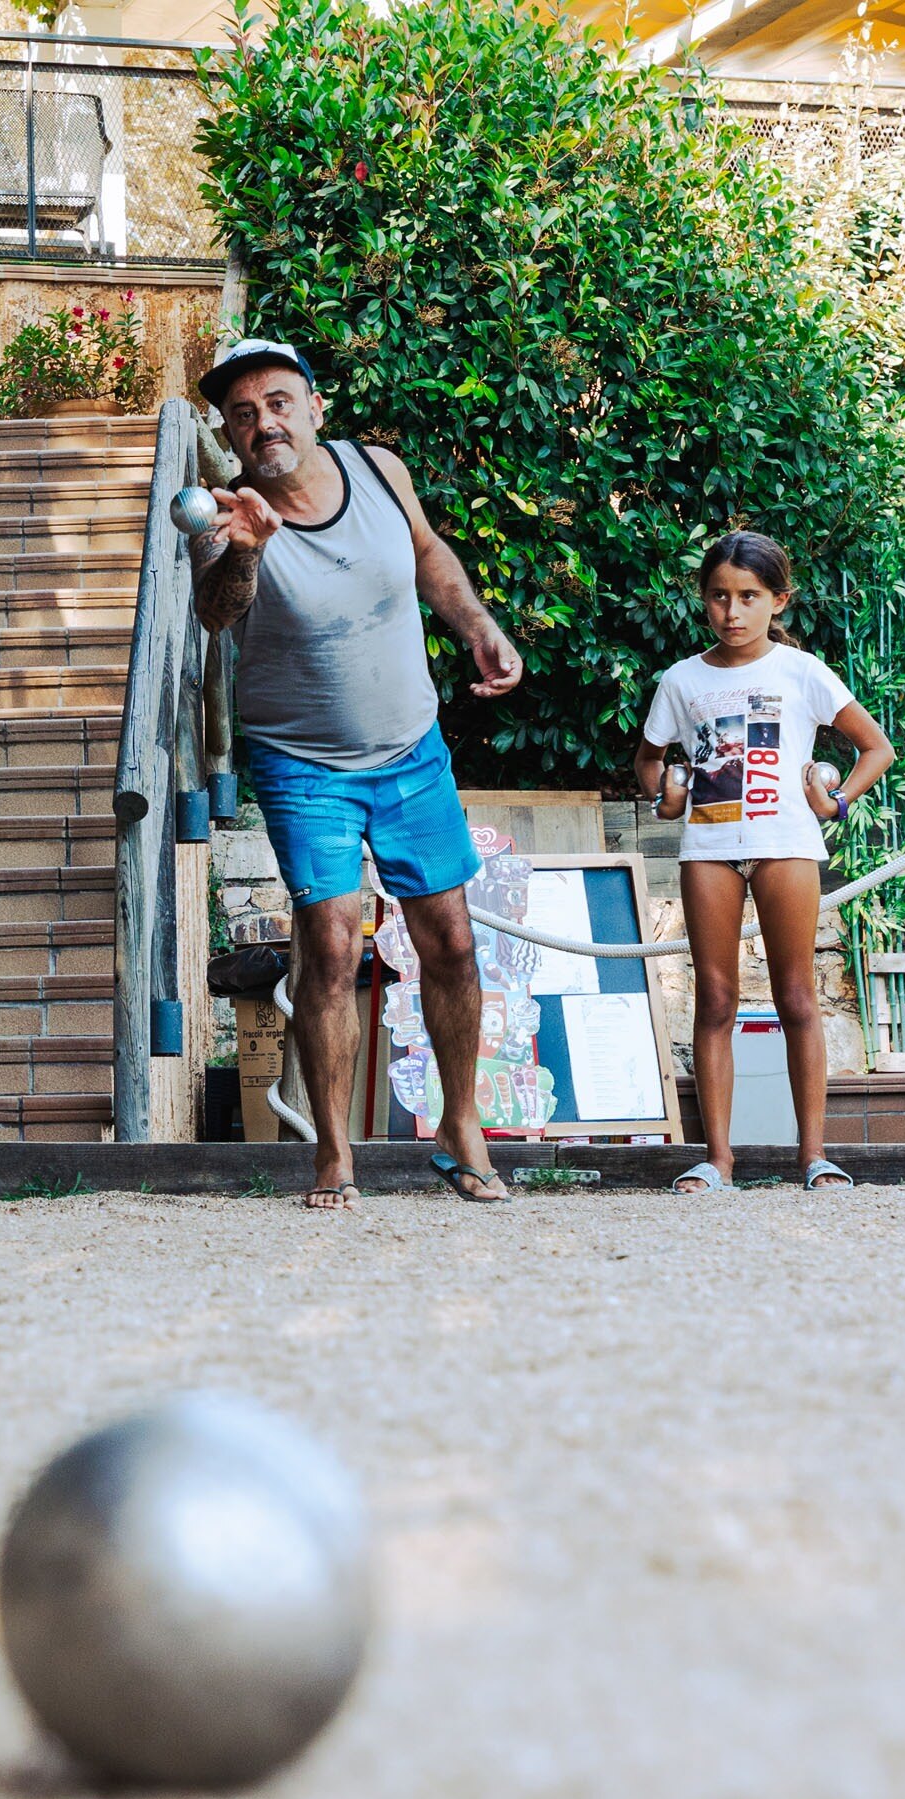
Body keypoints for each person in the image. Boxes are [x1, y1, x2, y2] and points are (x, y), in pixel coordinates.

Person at [187, 339, 523, 1210]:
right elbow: (216, 616)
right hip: (303, 766)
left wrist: (476, 625)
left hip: (410, 748)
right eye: (245, 413)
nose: (266, 421)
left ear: (314, 408)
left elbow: (426, 552)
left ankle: (460, 1127)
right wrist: (252, 550)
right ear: (229, 432)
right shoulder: (226, 513)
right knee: (331, 946)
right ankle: (333, 1152)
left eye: (280, 401)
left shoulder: (376, 469)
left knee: (450, 939)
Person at [632, 533, 895, 1193]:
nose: (732, 611)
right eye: (719, 596)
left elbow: (876, 748)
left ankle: (814, 1157)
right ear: (704, 599)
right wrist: (664, 793)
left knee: (797, 997)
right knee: (714, 999)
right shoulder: (681, 679)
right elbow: (648, 760)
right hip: (709, 851)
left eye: (749, 596)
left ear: (778, 599)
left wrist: (832, 802)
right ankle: (717, 1160)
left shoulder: (801, 672)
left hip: (788, 847)